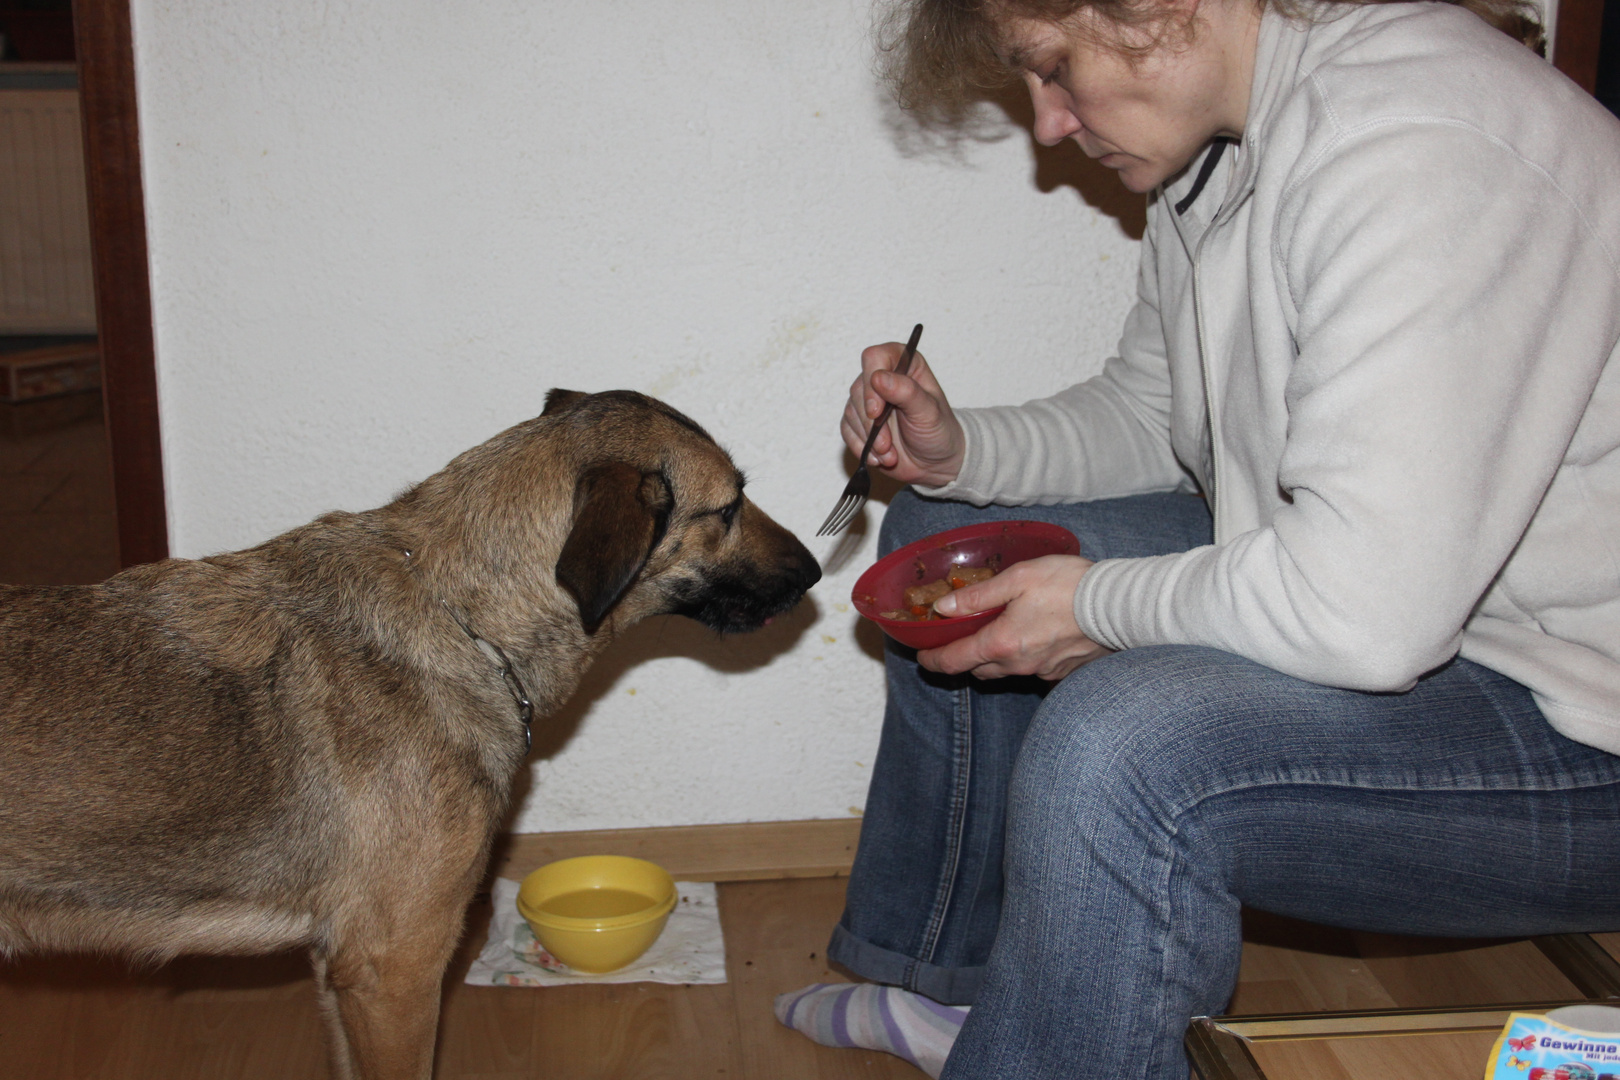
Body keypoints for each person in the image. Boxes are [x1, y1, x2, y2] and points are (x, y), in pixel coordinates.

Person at [774, 0, 1620, 1076]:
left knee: (1124, 745)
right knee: (960, 531)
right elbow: (1154, 414)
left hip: (1581, 725)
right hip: (1443, 620)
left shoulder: (1422, 142)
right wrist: (956, 454)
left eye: (1053, 69)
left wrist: (1090, 608)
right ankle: (983, 996)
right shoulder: (1222, 155)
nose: (1048, 122)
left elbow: (1364, 616)